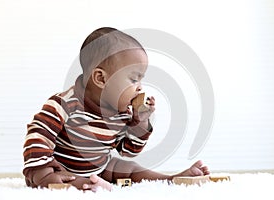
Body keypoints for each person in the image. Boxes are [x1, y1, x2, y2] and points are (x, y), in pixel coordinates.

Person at [22, 27, 210, 192]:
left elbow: (127, 151)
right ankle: (88, 186)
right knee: (67, 181)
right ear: (101, 79)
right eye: (134, 79)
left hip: (101, 168)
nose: (140, 87)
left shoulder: (122, 113)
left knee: (129, 167)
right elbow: (38, 134)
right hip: (64, 170)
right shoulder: (64, 104)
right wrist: (43, 173)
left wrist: (140, 123)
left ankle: (170, 180)